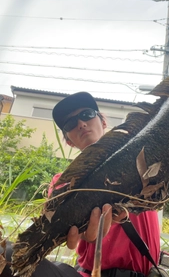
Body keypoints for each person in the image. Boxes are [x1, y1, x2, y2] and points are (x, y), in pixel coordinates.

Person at [1, 92, 160, 277]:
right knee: (7, 254)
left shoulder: (140, 163)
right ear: (68, 140)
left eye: (86, 115)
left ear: (103, 122)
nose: (81, 124)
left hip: (141, 273)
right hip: (86, 274)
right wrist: (82, 231)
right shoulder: (63, 183)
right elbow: (63, 226)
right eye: (70, 124)